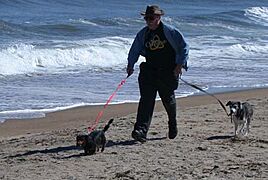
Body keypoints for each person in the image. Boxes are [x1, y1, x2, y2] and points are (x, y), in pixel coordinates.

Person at [126, 5, 189, 143]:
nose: (148, 21)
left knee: (168, 99)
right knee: (146, 100)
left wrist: (179, 65)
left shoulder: (170, 32)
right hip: (149, 70)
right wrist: (131, 64)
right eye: (146, 18)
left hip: (168, 71)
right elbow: (135, 49)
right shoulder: (143, 34)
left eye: (151, 18)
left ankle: (172, 122)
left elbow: (184, 47)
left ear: (159, 18)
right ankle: (141, 131)